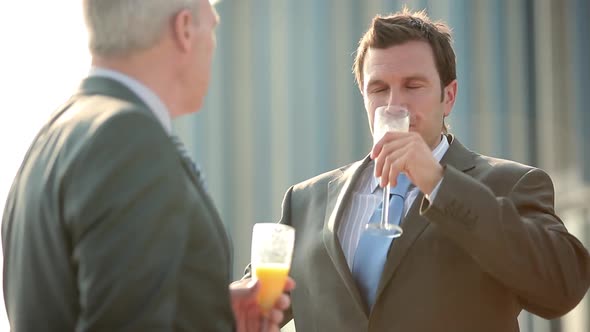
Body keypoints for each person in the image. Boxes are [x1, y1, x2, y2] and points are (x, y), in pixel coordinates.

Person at [259, 8, 590, 332]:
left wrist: (438, 182)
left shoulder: (510, 183)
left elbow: (562, 287)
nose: (394, 104)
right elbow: (255, 309)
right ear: (364, 97)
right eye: (378, 89)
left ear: (448, 96)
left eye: (413, 86)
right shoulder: (306, 201)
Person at [2, 0, 292, 331]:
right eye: (212, 27)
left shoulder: (56, 133)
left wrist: (203, 312)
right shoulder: (127, 138)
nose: (213, 44)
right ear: (184, 29)